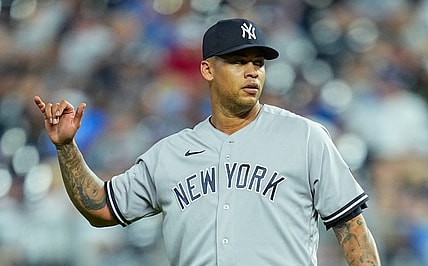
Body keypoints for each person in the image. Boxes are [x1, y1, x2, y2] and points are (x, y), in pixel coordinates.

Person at [34, 18, 380, 265]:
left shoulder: (304, 136)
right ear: (207, 70)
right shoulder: (169, 154)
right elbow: (102, 209)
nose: (252, 71)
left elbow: (352, 229)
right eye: (237, 61)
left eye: (258, 63)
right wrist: (66, 148)